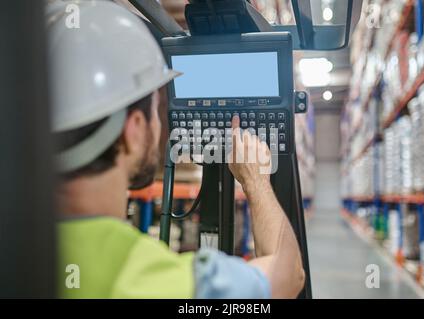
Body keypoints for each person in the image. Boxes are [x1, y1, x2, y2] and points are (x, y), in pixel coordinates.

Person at [50, 1, 305, 299]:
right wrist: (256, 180)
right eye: (157, 108)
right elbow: (289, 275)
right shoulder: (172, 284)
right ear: (133, 130)